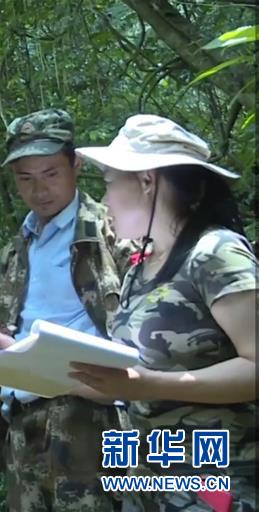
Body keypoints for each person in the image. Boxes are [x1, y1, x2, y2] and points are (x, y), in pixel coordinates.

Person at [68, 114, 257, 511]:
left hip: (216, 487)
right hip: (149, 487)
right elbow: (130, 381)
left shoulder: (216, 253)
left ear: (146, 181)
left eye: (108, 184)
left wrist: (151, 384)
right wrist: (32, 364)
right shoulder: (139, 269)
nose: (104, 203)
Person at [0, 108, 132, 511]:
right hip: (24, 427)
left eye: (51, 173)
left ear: (76, 164)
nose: (40, 190)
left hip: (95, 421)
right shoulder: (11, 259)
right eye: (25, 178)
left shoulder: (112, 232)